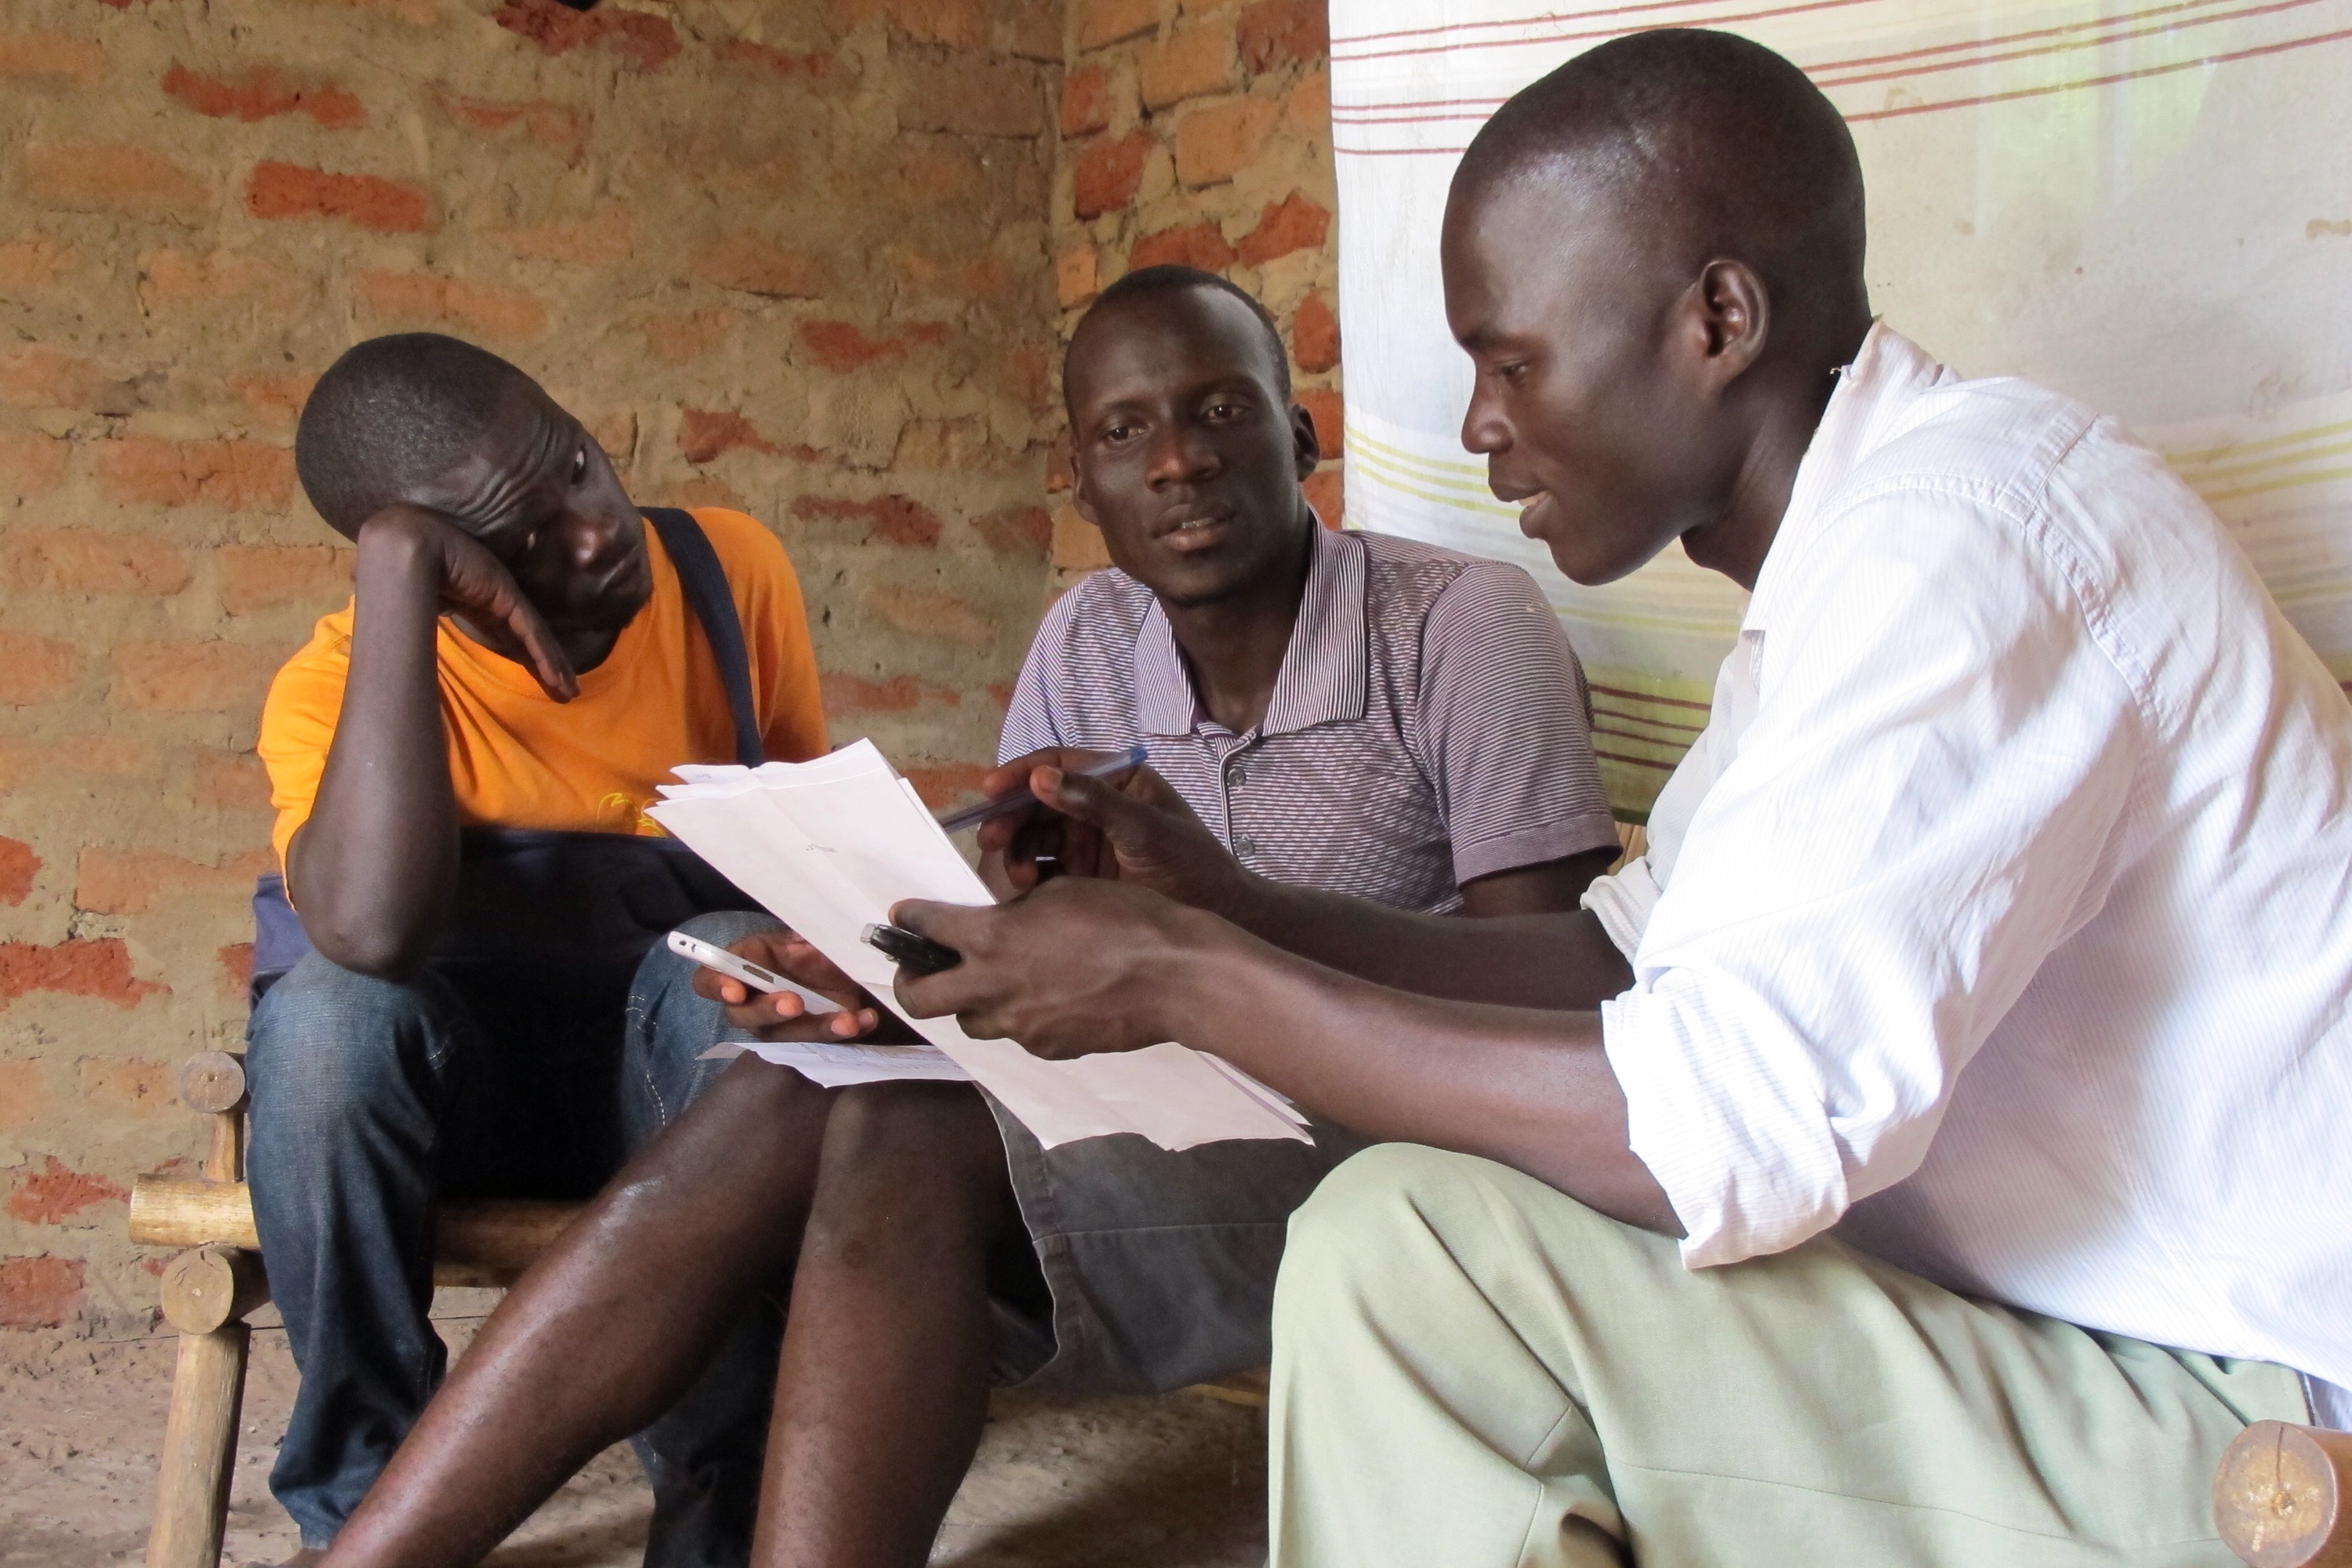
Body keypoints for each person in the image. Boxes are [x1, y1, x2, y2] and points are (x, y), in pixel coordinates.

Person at [862, 30, 2352, 1568]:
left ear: (1717, 320)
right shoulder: (1853, 569)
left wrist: (1189, 977)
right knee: (1403, 1232)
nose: (1479, 424)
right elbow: (1612, 958)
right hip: (2066, 1345)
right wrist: (1229, 907)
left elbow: (1717, 1130)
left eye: (1513, 361)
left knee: (1418, 1254)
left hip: (2254, 1402)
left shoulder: (1963, 542)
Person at [309, 264, 1623, 1568]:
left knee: (905, 1137)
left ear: (1299, 436)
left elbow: (1550, 1002)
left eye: (1220, 413)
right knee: (789, 1084)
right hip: (1145, 1101)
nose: (1177, 461)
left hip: (1378, 1129)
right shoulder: (1087, 639)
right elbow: (1035, 947)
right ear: (1084, 483)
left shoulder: (1459, 628)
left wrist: (1225, 916)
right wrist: (875, 980)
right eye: (1125, 432)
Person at [246, 332, 829, 1566]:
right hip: (453, 1112)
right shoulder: (336, 685)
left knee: (737, 956)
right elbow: (370, 932)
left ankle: (722, 1507)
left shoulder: (728, 575)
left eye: (574, 464)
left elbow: (800, 858)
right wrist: (396, 575)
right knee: (327, 1019)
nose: (594, 529)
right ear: (444, 571)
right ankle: (370, 1513)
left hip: (682, 1106)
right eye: (520, 541)